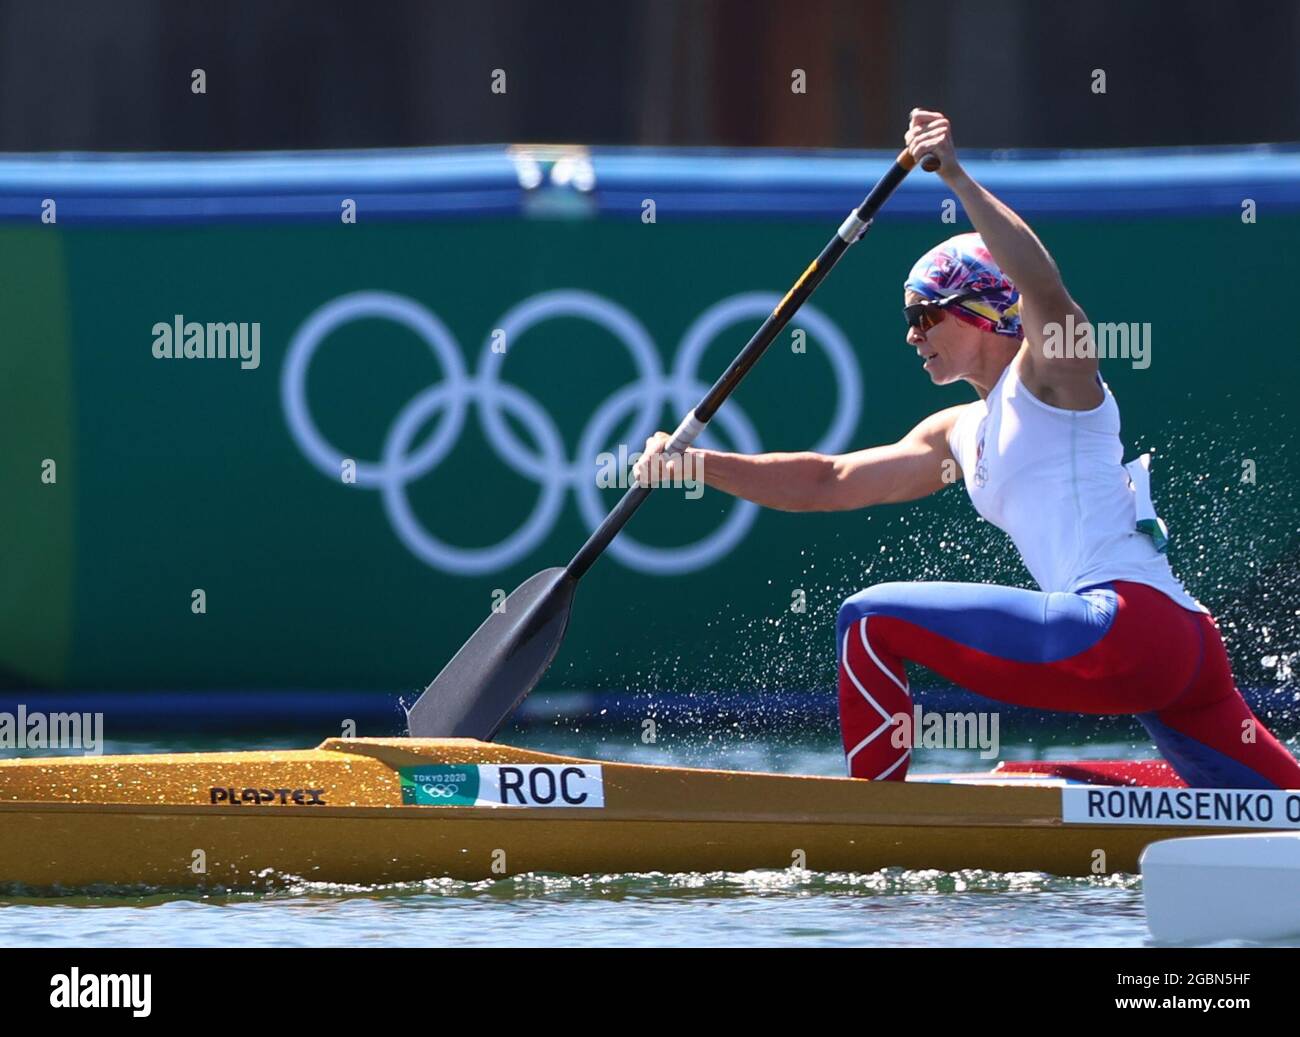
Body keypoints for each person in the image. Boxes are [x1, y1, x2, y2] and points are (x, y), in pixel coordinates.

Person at [634, 109, 1300, 790]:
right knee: (1284, 807)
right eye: (908, 319)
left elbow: (1042, 286)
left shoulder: (1054, 377)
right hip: (1182, 651)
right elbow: (830, 480)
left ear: (983, 312)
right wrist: (698, 464)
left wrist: (952, 172)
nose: (912, 335)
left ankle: (876, 829)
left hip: (1122, 630)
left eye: (925, 314)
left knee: (868, 621)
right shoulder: (955, 431)